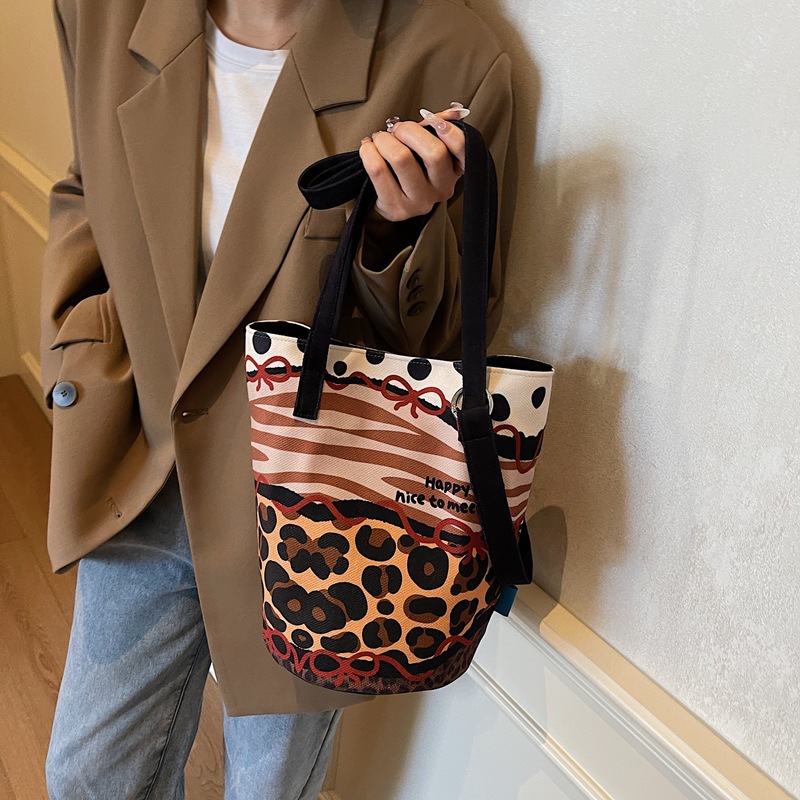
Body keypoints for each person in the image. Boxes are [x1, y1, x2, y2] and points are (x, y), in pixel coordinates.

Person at [40, 0, 514, 796]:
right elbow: (89, 183)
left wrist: (395, 233)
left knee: (270, 787)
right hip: (142, 460)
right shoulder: (100, 10)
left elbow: (450, 337)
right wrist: (78, 338)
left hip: (314, 513)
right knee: (89, 777)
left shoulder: (453, 57)